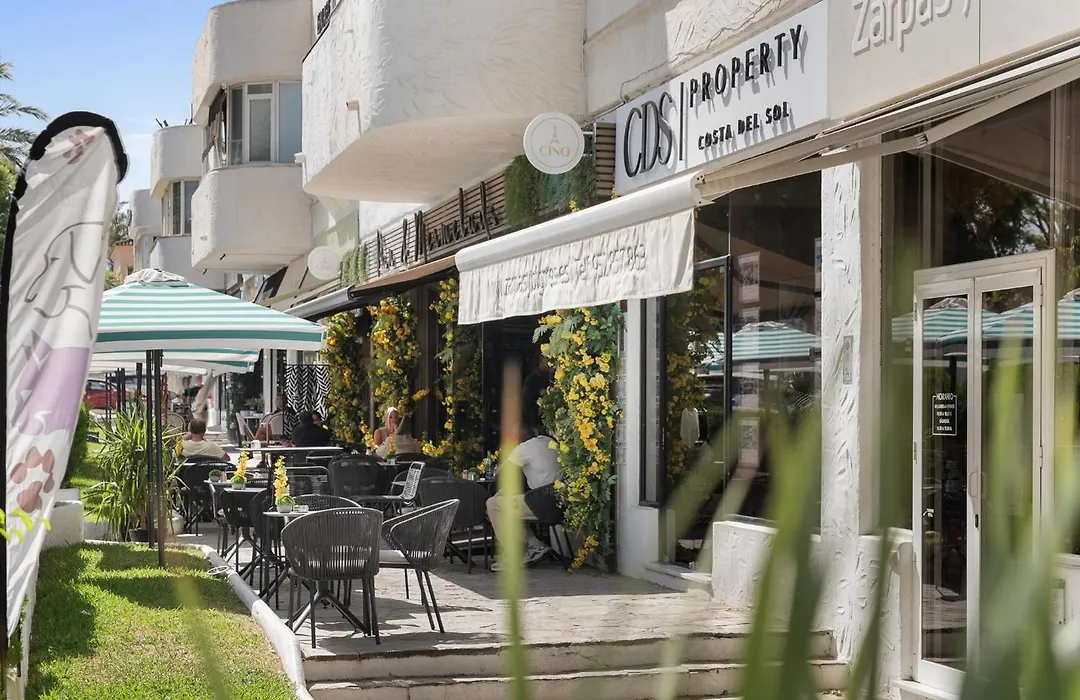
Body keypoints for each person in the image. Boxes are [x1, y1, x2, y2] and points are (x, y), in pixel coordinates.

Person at [486, 426, 561, 571]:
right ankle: (535, 546)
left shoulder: (524, 448)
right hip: (561, 504)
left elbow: (500, 475)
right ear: (535, 431)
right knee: (506, 505)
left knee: (492, 504)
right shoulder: (550, 441)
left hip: (542, 504)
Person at [522, 354, 552, 432]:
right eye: (548, 360)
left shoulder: (551, 377)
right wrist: (533, 424)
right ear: (541, 360)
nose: (550, 364)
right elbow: (526, 403)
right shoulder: (531, 380)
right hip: (538, 424)